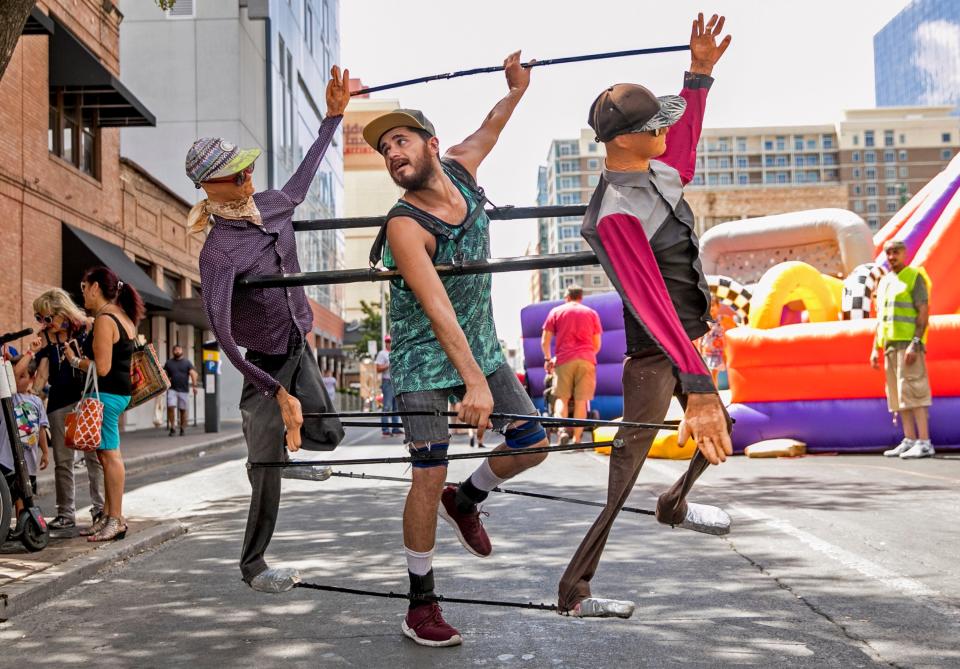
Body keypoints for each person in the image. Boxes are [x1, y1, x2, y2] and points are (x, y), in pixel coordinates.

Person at [363, 50, 546, 648]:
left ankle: (466, 499)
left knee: (533, 443)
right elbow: (438, 311)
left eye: (400, 141)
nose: (392, 154)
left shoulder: (464, 169)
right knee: (426, 470)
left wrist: (515, 91)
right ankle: (421, 603)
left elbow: (490, 126)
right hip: (423, 354)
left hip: (483, 346)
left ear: (431, 144)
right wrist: (471, 385)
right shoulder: (403, 224)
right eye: (384, 149)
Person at [558, 13, 734, 618]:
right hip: (657, 350)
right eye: (652, 124)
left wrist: (699, 76)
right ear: (623, 139)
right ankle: (575, 592)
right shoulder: (615, 213)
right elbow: (652, 305)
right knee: (627, 468)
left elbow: (681, 147)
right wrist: (697, 380)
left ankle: (676, 505)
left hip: (683, 342)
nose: (666, 131)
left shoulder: (655, 168)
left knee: (719, 431)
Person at [192, 66, 348, 592]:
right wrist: (276, 392)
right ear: (208, 188)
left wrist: (333, 117)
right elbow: (223, 335)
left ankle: (286, 455)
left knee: (329, 434)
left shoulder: (271, 204)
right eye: (235, 177)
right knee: (263, 468)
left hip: (298, 338)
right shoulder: (217, 254)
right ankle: (253, 565)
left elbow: (302, 178)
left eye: (245, 170)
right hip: (260, 363)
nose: (246, 180)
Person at [63, 266, 143, 542]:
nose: (82, 293)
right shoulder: (122, 317)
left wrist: (74, 360)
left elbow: (103, 368)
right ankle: (108, 516)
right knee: (105, 455)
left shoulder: (105, 319)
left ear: (95, 287)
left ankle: (116, 520)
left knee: (110, 456)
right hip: (116, 395)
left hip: (106, 396)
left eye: (84, 288)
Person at [28, 288, 104, 532]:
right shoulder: (47, 339)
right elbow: (41, 375)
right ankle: (65, 513)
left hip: (87, 399)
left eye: (47, 318)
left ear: (62, 312)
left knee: (94, 458)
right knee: (63, 461)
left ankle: (100, 509)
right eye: (39, 318)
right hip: (59, 403)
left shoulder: (87, 327)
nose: (43, 323)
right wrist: (33, 399)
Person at [871, 239, 934, 459]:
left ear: (904, 254)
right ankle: (909, 439)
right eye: (888, 253)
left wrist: (915, 343)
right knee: (898, 397)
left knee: (915, 392)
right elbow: (881, 318)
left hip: (909, 346)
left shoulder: (913, 278)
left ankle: (924, 442)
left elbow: (923, 314)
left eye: (895, 252)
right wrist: (875, 348)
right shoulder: (885, 281)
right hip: (890, 346)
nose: (891, 257)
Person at [540, 285, 602, 445]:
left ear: (566, 297)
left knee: (562, 398)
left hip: (564, 360)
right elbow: (597, 344)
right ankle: (577, 440)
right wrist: (586, 355)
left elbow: (544, 341)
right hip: (587, 359)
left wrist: (548, 359)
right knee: (581, 402)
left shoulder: (556, 311)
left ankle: (561, 432)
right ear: (581, 297)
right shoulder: (591, 313)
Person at [0, 355, 50, 519]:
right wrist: (30, 352)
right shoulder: (8, 399)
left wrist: (45, 452)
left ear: (32, 377)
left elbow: (41, 429)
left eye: (23, 376)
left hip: (29, 461)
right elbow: (14, 374)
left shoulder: (36, 401)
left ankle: (24, 526)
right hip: (7, 461)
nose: (16, 380)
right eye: (15, 376)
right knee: (7, 498)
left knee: (24, 498)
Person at [163, 344, 198, 437]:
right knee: (171, 407)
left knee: (182, 410)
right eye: (175, 350)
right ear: (173, 351)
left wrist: (194, 386)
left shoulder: (187, 362)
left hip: (184, 390)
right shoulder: (169, 363)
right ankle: (173, 427)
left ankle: (182, 427)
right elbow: (164, 375)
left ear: (182, 351)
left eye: (179, 349)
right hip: (172, 389)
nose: (177, 351)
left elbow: (193, 374)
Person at [375, 336, 402, 436]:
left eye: (390, 341)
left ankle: (395, 428)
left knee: (396, 407)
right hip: (387, 381)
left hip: (397, 381)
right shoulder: (382, 353)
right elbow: (377, 368)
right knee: (387, 406)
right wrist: (388, 365)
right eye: (387, 341)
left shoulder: (397, 352)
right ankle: (385, 429)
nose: (389, 343)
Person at [699, 298, 726, 387]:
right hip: (706, 352)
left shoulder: (721, 319)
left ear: (718, 306)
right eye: (709, 306)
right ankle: (713, 392)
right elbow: (701, 336)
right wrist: (699, 349)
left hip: (717, 352)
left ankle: (715, 392)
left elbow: (729, 328)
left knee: (713, 373)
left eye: (713, 305)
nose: (711, 308)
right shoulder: (705, 321)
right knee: (710, 374)